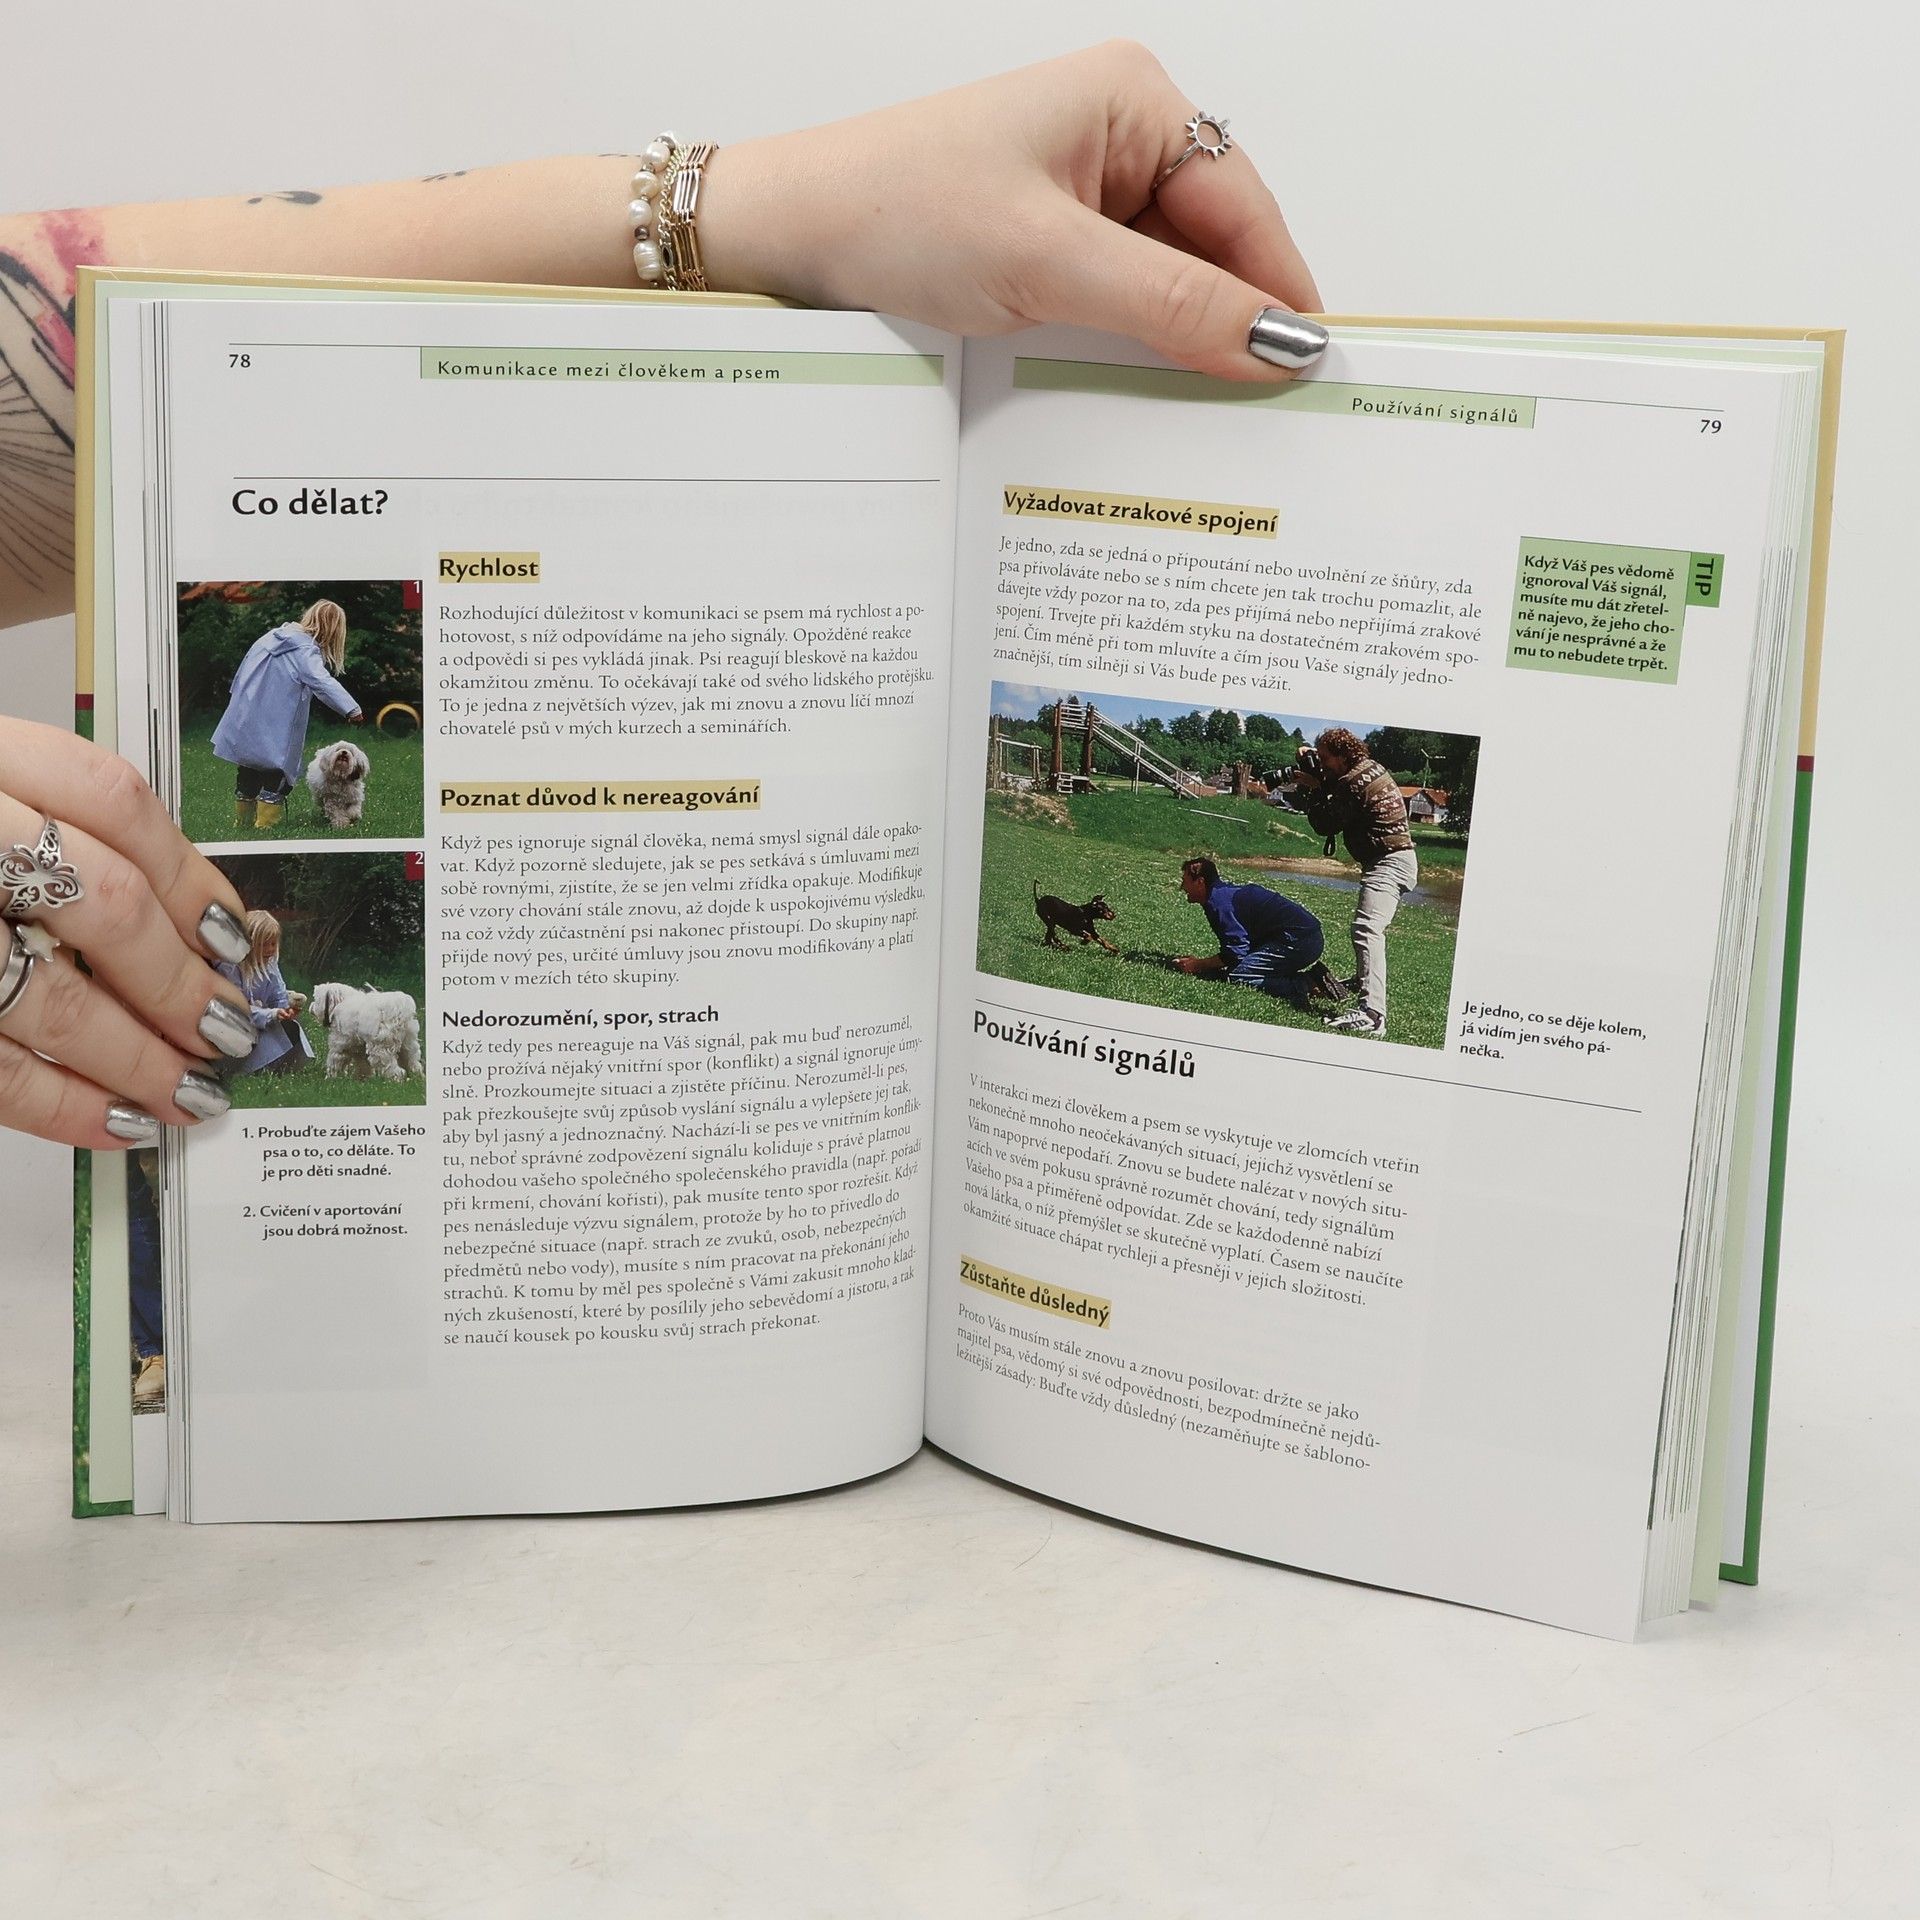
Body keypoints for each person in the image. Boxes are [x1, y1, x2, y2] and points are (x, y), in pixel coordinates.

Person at [0, 43, 1327, 1152]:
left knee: (266, 796)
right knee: (276, 801)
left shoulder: (284, 646)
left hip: (253, 770)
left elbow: (144, 379)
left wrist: (750, 211)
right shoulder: (304, 650)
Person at [1294, 727, 1416, 1039]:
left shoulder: (1353, 781)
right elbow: (1339, 786)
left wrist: (1313, 788)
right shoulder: (1369, 768)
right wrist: (1313, 762)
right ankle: (1361, 985)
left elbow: (1324, 822)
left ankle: (1372, 1015)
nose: (1322, 764)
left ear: (1343, 755)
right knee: (1367, 928)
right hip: (1394, 860)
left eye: (1325, 758)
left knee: (1367, 929)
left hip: (1389, 862)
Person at [210, 601, 363, 829]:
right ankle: (265, 827)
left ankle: (242, 825)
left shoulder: (271, 638)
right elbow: (321, 682)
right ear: (333, 629)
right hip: (278, 720)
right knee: (278, 770)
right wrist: (351, 709)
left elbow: (243, 671)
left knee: (250, 766)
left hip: (248, 712)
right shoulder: (304, 650)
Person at [1173, 857, 1331, 1006]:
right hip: (1302, 937)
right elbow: (1238, 949)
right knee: (1239, 968)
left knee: (1239, 976)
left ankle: (1308, 983)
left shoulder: (1219, 904)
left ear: (1200, 882)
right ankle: (1313, 979)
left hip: (1300, 941)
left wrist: (1199, 965)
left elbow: (1235, 952)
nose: (1182, 887)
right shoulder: (1220, 895)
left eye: (1185, 881)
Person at [214, 910, 316, 1076]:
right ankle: (241, 1067)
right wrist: (271, 1014)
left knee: (291, 1027)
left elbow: (278, 995)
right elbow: (237, 1008)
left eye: (273, 944)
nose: (269, 949)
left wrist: (285, 1011)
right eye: (263, 945)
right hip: (235, 1025)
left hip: (261, 1020)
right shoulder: (230, 967)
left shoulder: (270, 964)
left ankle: (274, 1065)